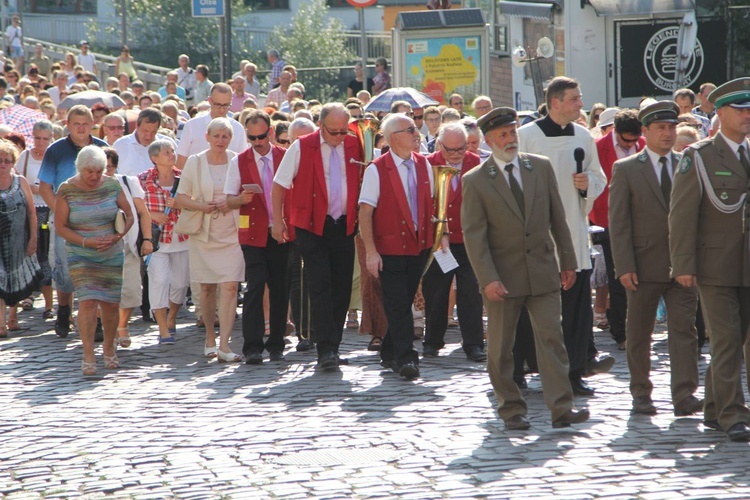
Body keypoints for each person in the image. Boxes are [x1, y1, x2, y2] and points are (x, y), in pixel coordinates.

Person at [462, 106, 589, 430]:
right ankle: (511, 408)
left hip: (543, 270)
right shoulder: (476, 181)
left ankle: (562, 408)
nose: (510, 139)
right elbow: (475, 237)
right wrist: (488, 279)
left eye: (512, 132)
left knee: (551, 339)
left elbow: (557, 219)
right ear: (488, 141)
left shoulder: (539, 167)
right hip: (502, 278)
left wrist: (568, 261)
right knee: (501, 349)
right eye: (502, 135)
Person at [517, 76, 611, 396]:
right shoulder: (526, 137)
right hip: (536, 237)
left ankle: (574, 371)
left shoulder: (583, 136)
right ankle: (527, 365)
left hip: (573, 231)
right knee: (533, 306)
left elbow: (599, 178)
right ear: (555, 102)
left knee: (575, 307)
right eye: (574, 98)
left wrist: (589, 185)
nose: (581, 104)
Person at [669, 78, 750, 442]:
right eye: (739, 109)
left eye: (749, 109)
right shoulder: (698, 156)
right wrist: (683, 265)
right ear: (719, 113)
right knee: (727, 339)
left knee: (739, 337)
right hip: (715, 265)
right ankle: (734, 413)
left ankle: (716, 408)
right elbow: (682, 214)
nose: (747, 115)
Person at [609, 100, 701, 417]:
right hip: (643, 265)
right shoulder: (626, 169)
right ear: (644, 132)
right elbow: (618, 223)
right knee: (638, 334)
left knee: (684, 331)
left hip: (684, 266)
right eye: (660, 127)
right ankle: (641, 394)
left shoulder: (689, 164)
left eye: (672, 127)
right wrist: (624, 266)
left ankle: (684, 395)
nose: (667, 133)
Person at [272, 103, 363, 370]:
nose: (339, 137)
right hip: (312, 226)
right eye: (333, 132)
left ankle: (333, 345)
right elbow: (279, 185)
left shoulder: (354, 144)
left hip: (344, 225)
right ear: (321, 125)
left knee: (342, 287)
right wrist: (278, 222)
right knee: (321, 286)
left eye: (343, 131)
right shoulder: (302, 146)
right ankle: (325, 350)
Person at [359, 113, 435, 380]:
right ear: (393, 138)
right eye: (410, 129)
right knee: (399, 303)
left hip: (419, 247)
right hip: (389, 249)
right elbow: (365, 212)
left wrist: (439, 237)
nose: (417, 133)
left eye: (416, 129)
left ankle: (389, 350)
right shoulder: (376, 169)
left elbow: (431, 205)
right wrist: (370, 251)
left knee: (400, 303)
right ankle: (407, 359)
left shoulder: (424, 164)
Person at [54, 145, 134, 375]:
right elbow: (60, 227)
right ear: (80, 169)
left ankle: (109, 347)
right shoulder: (67, 189)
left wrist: (118, 235)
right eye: (90, 171)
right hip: (80, 252)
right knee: (87, 301)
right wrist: (86, 242)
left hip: (110, 251)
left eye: (99, 171)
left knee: (110, 304)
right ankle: (88, 352)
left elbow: (129, 215)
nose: (95, 176)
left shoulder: (111, 184)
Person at [224, 110, 290, 364]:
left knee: (280, 288)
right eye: (252, 138)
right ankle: (252, 346)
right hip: (252, 231)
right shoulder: (238, 161)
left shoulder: (285, 156)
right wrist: (240, 199)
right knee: (254, 286)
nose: (258, 142)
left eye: (262, 136)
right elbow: (229, 199)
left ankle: (276, 343)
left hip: (281, 231)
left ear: (271, 132)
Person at [176, 119, 243, 362]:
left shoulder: (237, 160)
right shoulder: (195, 161)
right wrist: (202, 206)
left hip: (231, 231)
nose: (220, 140)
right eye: (217, 135)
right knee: (206, 287)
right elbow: (181, 197)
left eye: (225, 136)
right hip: (204, 231)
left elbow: (243, 194)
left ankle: (225, 343)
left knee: (230, 286)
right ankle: (209, 337)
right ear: (207, 136)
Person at [39, 105, 108, 338]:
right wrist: (60, 211)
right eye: (76, 123)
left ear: (92, 124)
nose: (81, 128)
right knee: (65, 270)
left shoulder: (102, 148)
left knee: (95, 271)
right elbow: (46, 187)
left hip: (96, 219)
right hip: (65, 220)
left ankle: (95, 321)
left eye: (85, 124)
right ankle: (64, 309)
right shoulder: (55, 150)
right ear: (68, 124)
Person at [422, 122, 485, 361]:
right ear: (440, 145)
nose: (457, 154)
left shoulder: (476, 163)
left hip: (469, 239)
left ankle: (474, 343)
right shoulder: (427, 164)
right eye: (451, 150)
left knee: (471, 292)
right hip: (439, 241)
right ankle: (433, 341)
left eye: (461, 149)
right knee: (436, 291)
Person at [592, 109, 646, 349]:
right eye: (626, 140)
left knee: (641, 276)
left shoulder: (643, 144)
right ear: (614, 131)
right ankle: (621, 333)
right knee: (618, 276)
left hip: (640, 222)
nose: (631, 144)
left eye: (635, 140)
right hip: (608, 220)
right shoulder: (597, 147)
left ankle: (637, 328)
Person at [103, 147, 154, 348]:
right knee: (106, 294)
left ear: (115, 167)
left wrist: (148, 239)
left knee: (132, 291)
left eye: (109, 167)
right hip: (101, 249)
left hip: (129, 246)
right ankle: (111, 329)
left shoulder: (127, 183)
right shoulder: (86, 185)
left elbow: (143, 212)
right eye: (101, 167)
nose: (105, 171)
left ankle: (122, 325)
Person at [139, 140, 189, 345]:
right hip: (156, 241)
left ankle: (172, 317)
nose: (172, 154)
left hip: (182, 239)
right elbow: (133, 208)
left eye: (173, 151)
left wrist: (180, 204)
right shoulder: (142, 180)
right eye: (167, 152)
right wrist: (152, 215)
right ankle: (162, 328)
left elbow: (195, 203)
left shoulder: (184, 178)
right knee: (159, 281)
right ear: (154, 158)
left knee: (180, 285)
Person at [0, 140, 42, 338]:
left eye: (7, 160)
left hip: (19, 238)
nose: (3, 164)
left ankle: (13, 316)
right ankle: (1, 323)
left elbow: (32, 213)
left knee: (14, 278)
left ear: (13, 162)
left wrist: (33, 238)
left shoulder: (21, 181)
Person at [14, 120, 55, 320]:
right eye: (37, 138)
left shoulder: (54, 157)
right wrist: (31, 188)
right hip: (28, 209)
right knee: (28, 252)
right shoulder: (26, 156)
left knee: (45, 254)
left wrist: (44, 189)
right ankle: (27, 294)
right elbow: (16, 180)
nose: (40, 142)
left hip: (48, 210)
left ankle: (49, 304)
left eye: (45, 139)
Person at [176, 83, 246, 170]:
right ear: (209, 101)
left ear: (231, 101)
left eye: (226, 105)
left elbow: (243, 162)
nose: (222, 109)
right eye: (218, 104)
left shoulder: (238, 129)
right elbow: (181, 161)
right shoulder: (192, 125)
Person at [114, 108, 174, 177]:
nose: (148, 136)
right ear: (137, 125)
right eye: (145, 131)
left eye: (153, 132)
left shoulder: (169, 144)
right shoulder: (120, 145)